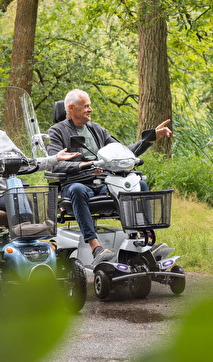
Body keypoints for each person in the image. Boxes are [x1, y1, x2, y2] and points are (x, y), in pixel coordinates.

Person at [47, 89, 172, 265]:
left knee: (139, 186)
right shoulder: (56, 132)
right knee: (77, 189)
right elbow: (54, 162)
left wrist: (150, 139)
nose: (90, 109)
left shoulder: (96, 129)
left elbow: (123, 151)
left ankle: (145, 241)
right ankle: (95, 247)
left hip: (105, 182)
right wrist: (83, 165)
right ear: (71, 108)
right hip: (77, 183)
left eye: (90, 106)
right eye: (86, 106)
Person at [0, 93, 79, 250]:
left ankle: (25, 249)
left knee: (22, 201)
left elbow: (26, 163)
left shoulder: (1, 136)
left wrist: (55, 158)